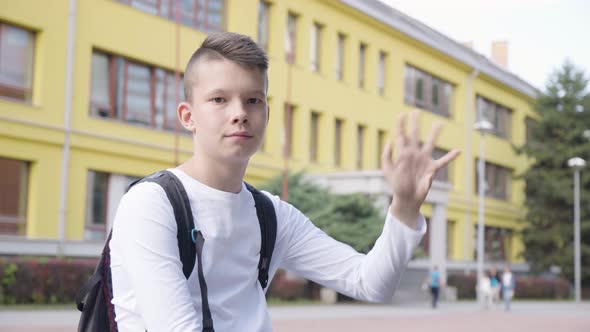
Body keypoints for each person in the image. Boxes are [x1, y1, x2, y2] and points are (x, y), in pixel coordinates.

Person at [108, 32, 460, 331]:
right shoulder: (151, 205)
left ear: (266, 112)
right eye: (219, 99)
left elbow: (370, 283)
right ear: (188, 116)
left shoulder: (270, 215)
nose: (240, 113)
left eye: (253, 100)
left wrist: (405, 207)